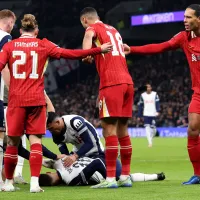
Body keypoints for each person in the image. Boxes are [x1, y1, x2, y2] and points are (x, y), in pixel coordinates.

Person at [0, 14, 112, 193]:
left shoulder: (9, 46)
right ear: (36, 31)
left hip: (16, 99)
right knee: (36, 141)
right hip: (36, 100)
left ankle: (8, 183)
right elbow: (71, 54)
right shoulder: (44, 44)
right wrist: (97, 50)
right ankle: (35, 184)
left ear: (20, 31)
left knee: (12, 143)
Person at [123, 4, 200, 185]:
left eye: (189, 17)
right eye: (184, 17)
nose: (184, 21)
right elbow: (160, 47)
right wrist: (133, 49)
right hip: (198, 92)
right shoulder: (184, 38)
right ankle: (198, 174)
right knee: (193, 128)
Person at [80, 7, 134, 189]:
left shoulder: (91, 28)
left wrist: (86, 53)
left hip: (111, 83)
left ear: (85, 20)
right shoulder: (114, 30)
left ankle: (110, 178)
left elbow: (87, 42)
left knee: (109, 129)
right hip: (127, 82)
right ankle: (125, 176)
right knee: (123, 130)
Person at [39, 157, 165, 186]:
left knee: (123, 178)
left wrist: (110, 179)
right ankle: (157, 176)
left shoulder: (71, 181)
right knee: (126, 177)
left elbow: (98, 163)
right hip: (109, 158)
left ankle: (156, 176)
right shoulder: (60, 162)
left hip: (109, 167)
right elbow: (41, 159)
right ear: (49, 172)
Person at [0, 9, 16, 188]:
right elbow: (4, 67)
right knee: (3, 137)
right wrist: (13, 91)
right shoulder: (6, 38)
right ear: (10, 21)